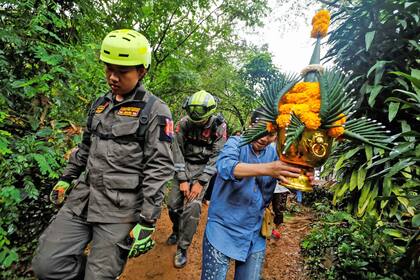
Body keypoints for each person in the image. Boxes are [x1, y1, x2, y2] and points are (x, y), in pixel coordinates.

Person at [32, 29, 174, 279]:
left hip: (120, 209)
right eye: (109, 69)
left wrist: (148, 220)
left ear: (142, 71)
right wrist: (68, 177)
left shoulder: (155, 110)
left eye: (122, 71)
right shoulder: (100, 104)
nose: (113, 77)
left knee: (100, 275)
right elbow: (86, 146)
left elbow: (159, 167)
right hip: (84, 199)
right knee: (47, 265)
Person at [200, 109, 314, 280]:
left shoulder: (276, 154)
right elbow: (225, 166)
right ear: (250, 125)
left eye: (270, 134)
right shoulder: (235, 142)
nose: (263, 138)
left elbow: (291, 172)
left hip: (254, 232)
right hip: (222, 229)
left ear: (277, 135)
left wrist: (303, 175)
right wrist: (269, 169)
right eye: (259, 130)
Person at [167, 90, 227, 268]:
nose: (197, 124)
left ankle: (182, 248)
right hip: (184, 165)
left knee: (192, 207)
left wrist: (201, 182)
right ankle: (177, 229)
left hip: (203, 168)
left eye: (201, 121)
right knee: (172, 205)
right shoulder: (184, 123)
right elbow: (176, 151)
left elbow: (217, 156)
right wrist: (183, 179)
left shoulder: (219, 127)